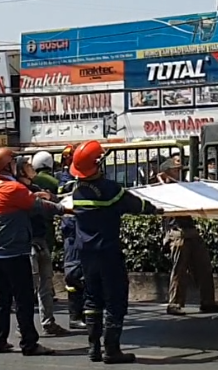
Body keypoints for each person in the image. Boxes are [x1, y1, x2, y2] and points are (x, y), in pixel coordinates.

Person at [72, 139, 164, 363]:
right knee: (115, 299)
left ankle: (93, 349)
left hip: (86, 253)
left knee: (92, 299)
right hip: (108, 251)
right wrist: (156, 210)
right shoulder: (110, 190)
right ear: (98, 164)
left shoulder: (77, 191)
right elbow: (137, 205)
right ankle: (111, 350)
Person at [0, 148, 60, 356]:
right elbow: (38, 205)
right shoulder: (13, 188)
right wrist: (65, 208)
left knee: (2, 299)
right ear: (8, 166)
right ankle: (29, 344)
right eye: (15, 161)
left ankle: (0, 340)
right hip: (15, 252)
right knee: (24, 299)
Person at [158, 157, 218, 314]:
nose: (178, 173)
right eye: (174, 171)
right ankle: (174, 303)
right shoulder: (163, 190)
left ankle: (207, 301)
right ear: (165, 174)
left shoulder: (184, 187)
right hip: (177, 232)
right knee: (179, 269)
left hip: (191, 230)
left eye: (179, 171)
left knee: (204, 267)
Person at [24, 153, 68, 336]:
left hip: (39, 239)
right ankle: (25, 326)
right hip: (30, 242)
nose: (30, 169)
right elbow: (49, 205)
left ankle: (48, 322)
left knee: (44, 283)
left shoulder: (35, 186)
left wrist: (47, 197)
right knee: (33, 286)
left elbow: (51, 201)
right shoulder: (17, 190)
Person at [57, 147, 86, 330]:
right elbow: (64, 196)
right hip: (72, 230)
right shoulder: (65, 179)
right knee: (73, 274)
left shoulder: (86, 177)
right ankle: (75, 315)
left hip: (85, 229)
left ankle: (86, 312)